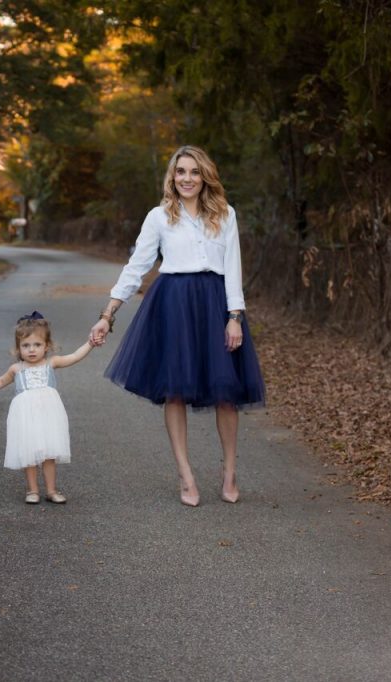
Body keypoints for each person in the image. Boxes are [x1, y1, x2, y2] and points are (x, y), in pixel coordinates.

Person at [89, 145, 265, 507]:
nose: (187, 178)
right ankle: (185, 474)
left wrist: (235, 318)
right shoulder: (158, 217)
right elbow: (137, 266)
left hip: (215, 304)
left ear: (205, 177)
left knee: (226, 393)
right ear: (172, 177)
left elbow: (233, 268)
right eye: (181, 172)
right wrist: (108, 313)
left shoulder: (225, 214)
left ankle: (229, 471)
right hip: (173, 304)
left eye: (194, 172)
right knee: (175, 391)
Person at [0, 312, 93, 504]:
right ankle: (32, 490)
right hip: (25, 415)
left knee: (49, 453)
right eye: (26, 345)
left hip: (49, 414)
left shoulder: (51, 363)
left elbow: (74, 356)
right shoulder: (16, 369)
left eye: (37, 345)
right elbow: (1, 381)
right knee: (28, 450)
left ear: (47, 346)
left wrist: (90, 343)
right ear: (18, 348)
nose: (31, 350)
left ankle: (52, 490)